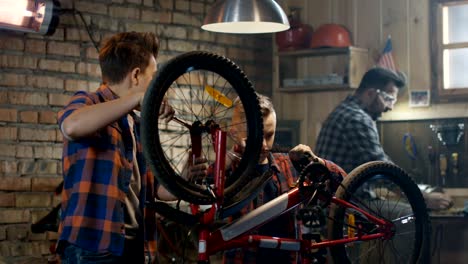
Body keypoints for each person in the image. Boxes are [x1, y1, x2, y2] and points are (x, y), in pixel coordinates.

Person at [56, 31, 174, 263]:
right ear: (137, 76)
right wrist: (136, 99)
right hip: (93, 247)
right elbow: (71, 126)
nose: (157, 86)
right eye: (154, 77)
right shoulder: (88, 101)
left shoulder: (138, 124)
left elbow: (157, 190)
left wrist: (187, 176)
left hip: (133, 245)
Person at [200, 93, 347, 263]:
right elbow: (197, 200)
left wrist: (317, 162)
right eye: (256, 135)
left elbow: (344, 184)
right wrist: (224, 162)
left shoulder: (289, 165)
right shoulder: (225, 171)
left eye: (269, 135)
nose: (263, 144)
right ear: (234, 133)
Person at [315, 67, 452, 210]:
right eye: (389, 98)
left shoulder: (343, 111)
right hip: (343, 206)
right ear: (370, 93)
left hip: (332, 201)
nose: (390, 107)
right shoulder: (357, 119)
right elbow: (382, 169)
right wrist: (423, 198)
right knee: (410, 216)